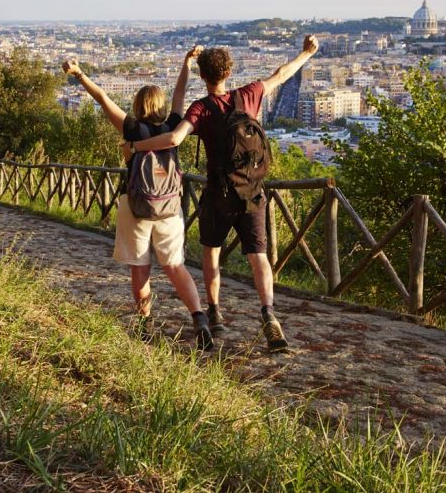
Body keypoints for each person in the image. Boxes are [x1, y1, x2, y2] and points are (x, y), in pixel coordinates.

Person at [124, 36, 319, 352]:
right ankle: (268, 311)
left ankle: (213, 312)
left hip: (217, 194)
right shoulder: (249, 95)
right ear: (229, 71)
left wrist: (136, 147)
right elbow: (282, 74)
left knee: (211, 253)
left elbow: (174, 138)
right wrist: (306, 54)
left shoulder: (201, 108)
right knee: (258, 256)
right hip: (253, 192)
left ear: (203, 76)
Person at [62, 48, 213, 351]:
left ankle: (145, 324)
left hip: (137, 207)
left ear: (138, 104)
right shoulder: (172, 124)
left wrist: (79, 75)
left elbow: (102, 98)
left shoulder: (131, 128)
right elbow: (181, 91)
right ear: (160, 104)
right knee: (175, 266)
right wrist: (186, 62)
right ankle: (199, 318)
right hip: (169, 208)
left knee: (140, 268)